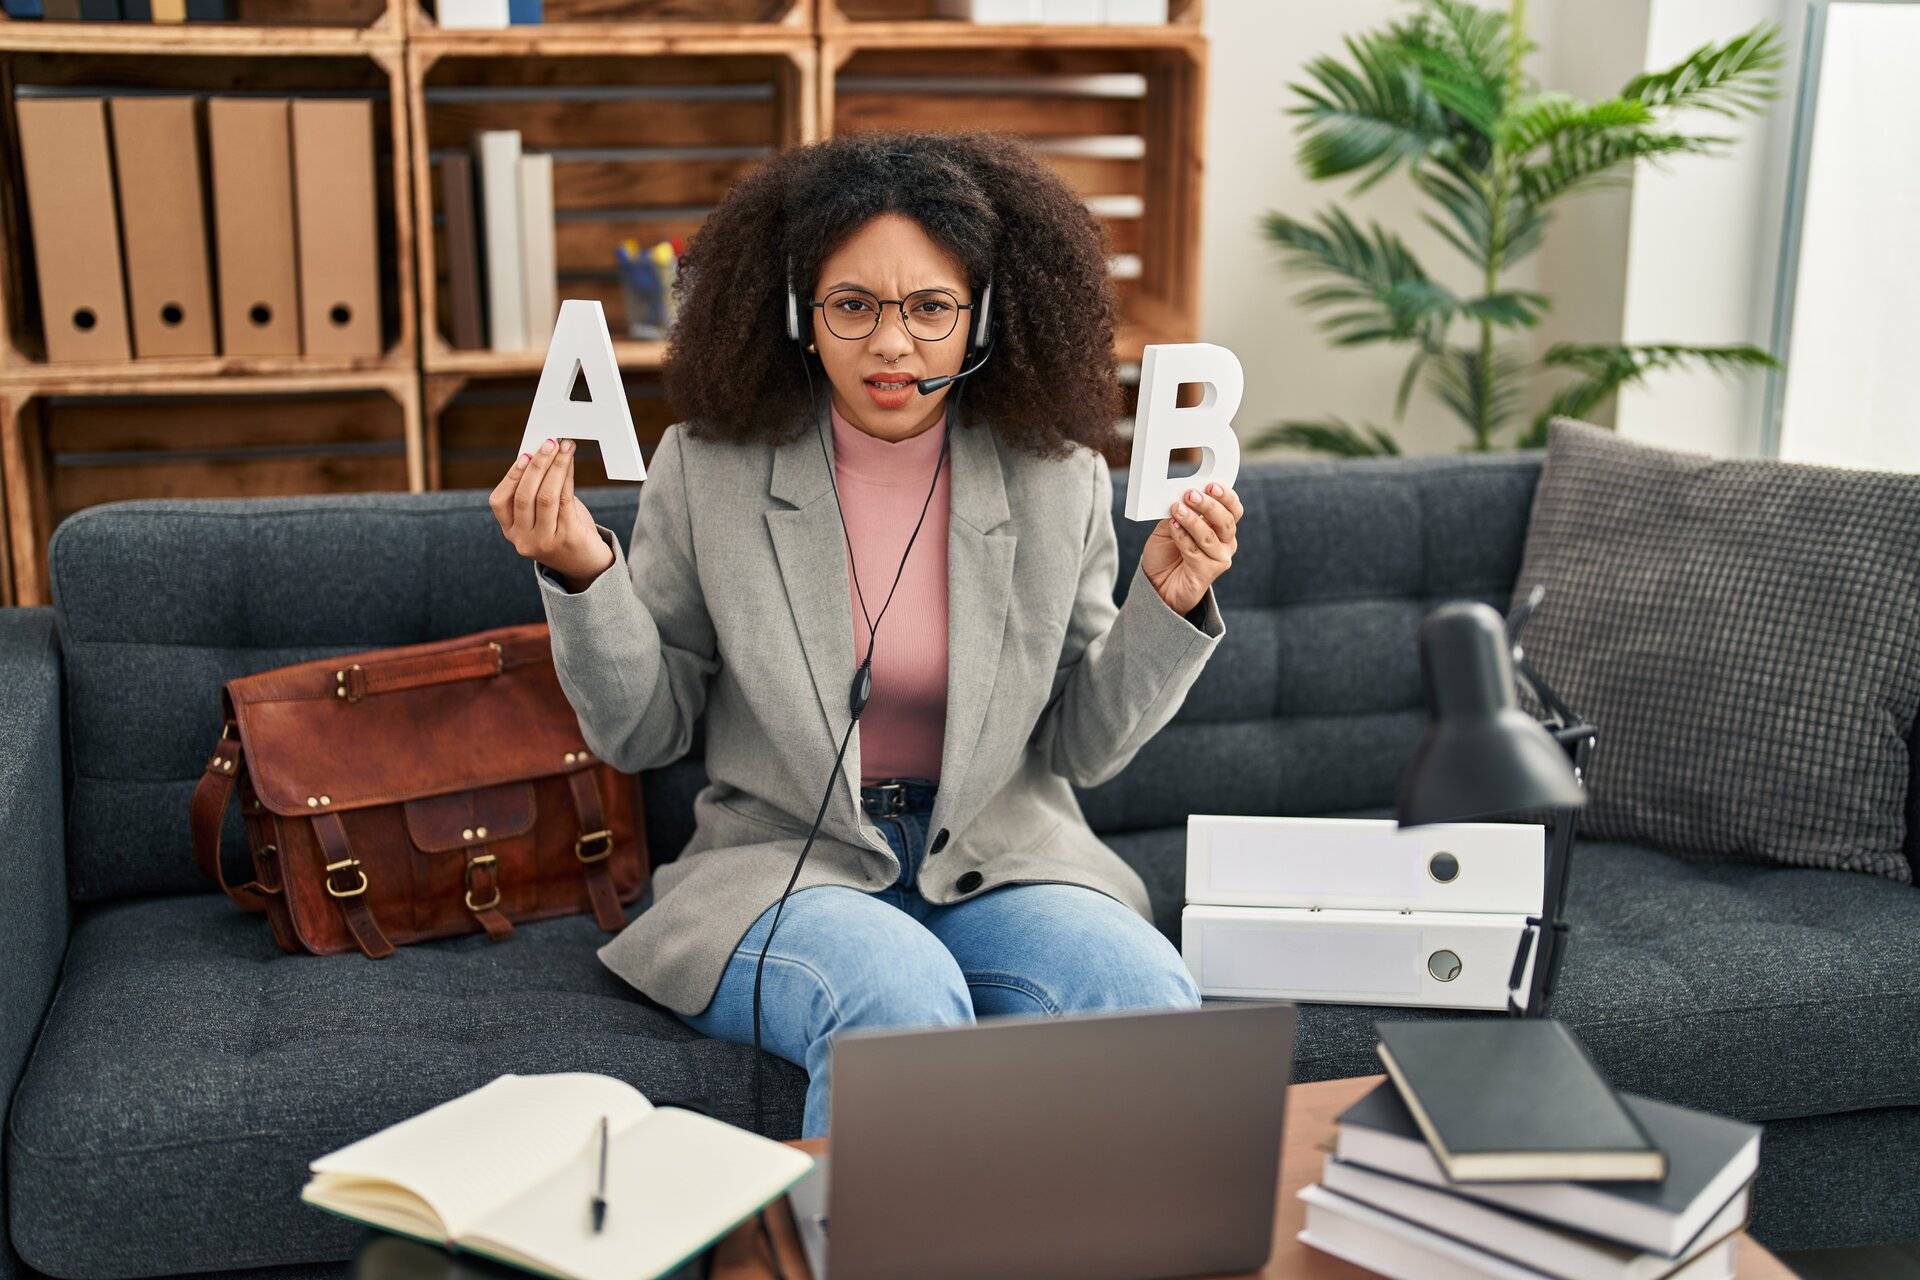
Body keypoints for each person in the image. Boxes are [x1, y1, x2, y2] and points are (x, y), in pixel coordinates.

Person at [490, 130, 1242, 1138]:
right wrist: (584, 572)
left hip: (1002, 860)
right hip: (780, 869)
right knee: (896, 996)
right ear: (803, 314)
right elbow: (644, 731)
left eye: (931, 308)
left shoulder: (1055, 476)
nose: (893, 344)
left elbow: (1082, 748)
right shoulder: (707, 467)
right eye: (855, 306)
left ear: (982, 318)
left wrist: (1169, 604)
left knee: (1144, 988)